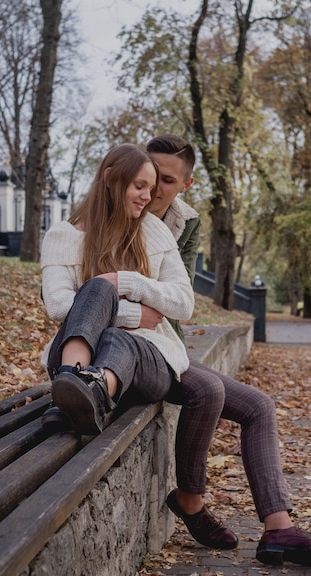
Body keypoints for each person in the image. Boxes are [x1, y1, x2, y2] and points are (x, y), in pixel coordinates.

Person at [146, 134, 311, 567]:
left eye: (167, 179)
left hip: (170, 345)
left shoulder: (186, 220)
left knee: (259, 405)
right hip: (136, 351)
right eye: (150, 173)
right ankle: (189, 501)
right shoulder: (124, 208)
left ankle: (279, 530)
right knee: (208, 391)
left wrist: (163, 311)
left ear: (185, 184)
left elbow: (178, 295)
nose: (154, 186)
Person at [40, 143, 195, 437]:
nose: (148, 197)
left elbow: (184, 303)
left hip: (146, 359)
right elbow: (59, 305)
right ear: (111, 178)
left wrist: (127, 281)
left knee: (115, 336)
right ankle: (70, 382)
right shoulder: (62, 237)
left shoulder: (153, 231)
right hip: (75, 352)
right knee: (99, 287)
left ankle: (91, 394)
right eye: (139, 186)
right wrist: (135, 314)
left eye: (150, 188)